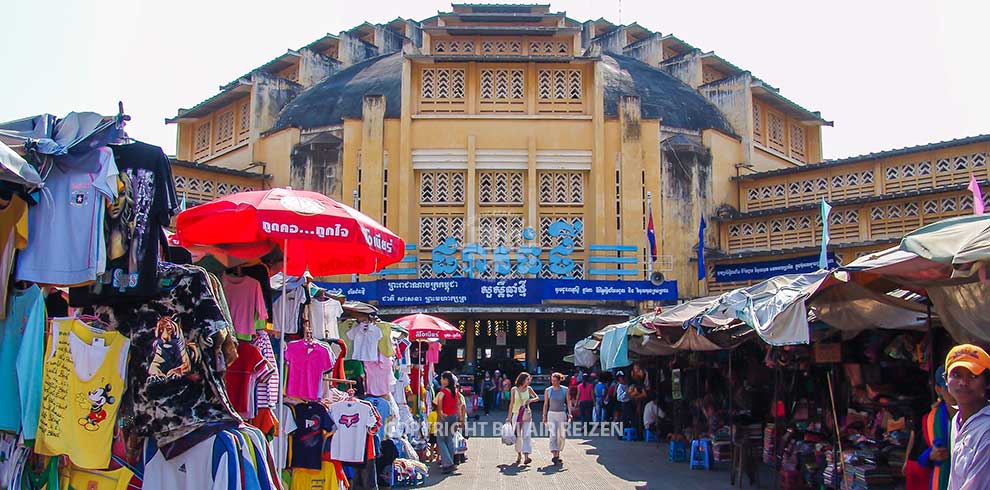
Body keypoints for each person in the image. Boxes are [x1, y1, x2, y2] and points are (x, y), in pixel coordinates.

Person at [944, 344, 990, 489]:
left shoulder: (987, 429)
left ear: (987, 383)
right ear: (946, 380)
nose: (963, 383)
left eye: (973, 376)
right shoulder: (957, 420)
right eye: (956, 375)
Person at [905, 366, 955, 490]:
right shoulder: (932, 421)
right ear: (938, 389)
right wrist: (931, 455)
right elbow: (916, 462)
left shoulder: (982, 417)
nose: (957, 391)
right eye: (949, 388)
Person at [432, 371, 462, 474]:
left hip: (444, 417)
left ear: (446, 380)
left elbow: (438, 402)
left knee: (440, 440)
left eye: (442, 378)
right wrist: (460, 418)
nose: (440, 380)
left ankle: (447, 463)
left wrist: (440, 412)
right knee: (450, 439)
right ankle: (450, 462)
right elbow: (459, 405)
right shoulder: (455, 391)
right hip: (453, 417)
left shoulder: (443, 391)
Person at [507, 371, 538, 465]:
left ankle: (526, 456)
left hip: (526, 414)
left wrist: (531, 400)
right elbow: (511, 403)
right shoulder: (514, 389)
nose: (529, 381)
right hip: (516, 415)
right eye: (527, 379)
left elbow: (537, 397)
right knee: (518, 436)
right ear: (523, 379)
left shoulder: (529, 389)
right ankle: (519, 454)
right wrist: (509, 417)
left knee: (527, 435)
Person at [543, 372, 572, 465]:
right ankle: (554, 454)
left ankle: (558, 453)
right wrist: (544, 416)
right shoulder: (548, 390)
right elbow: (546, 404)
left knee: (561, 435)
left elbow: (568, 402)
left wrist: (570, 413)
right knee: (553, 434)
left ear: (559, 380)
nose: (553, 382)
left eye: (555, 381)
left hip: (561, 414)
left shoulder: (565, 390)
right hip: (551, 414)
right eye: (552, 380)